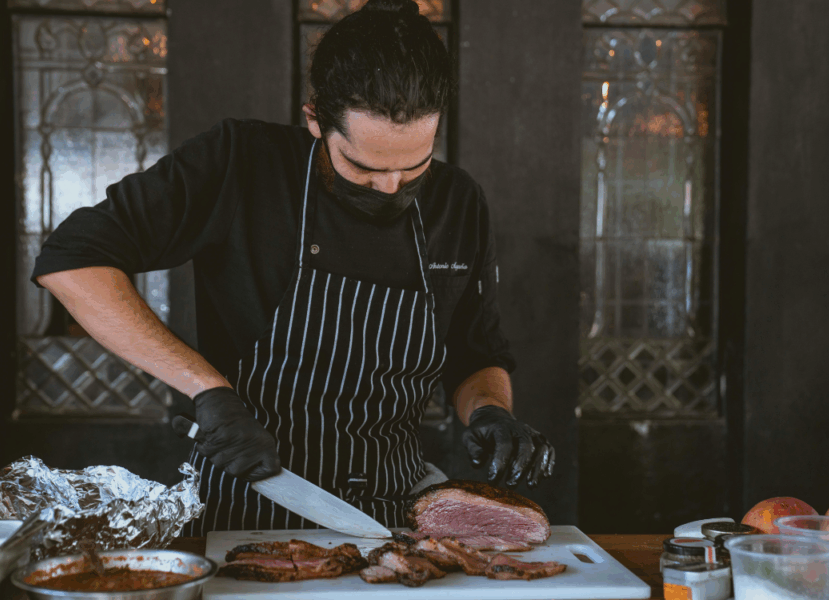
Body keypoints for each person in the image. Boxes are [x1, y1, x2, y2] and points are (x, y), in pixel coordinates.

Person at [32, 0, 555, 535]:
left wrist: (490, 411)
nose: (391, 188)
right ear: (314, 119)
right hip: (243, 511)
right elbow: (73, 261)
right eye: (364, 168)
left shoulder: (459, 202)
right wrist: (206, 391)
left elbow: (476, 352)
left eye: (414, 166)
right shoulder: (241, 162)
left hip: (394, 519)